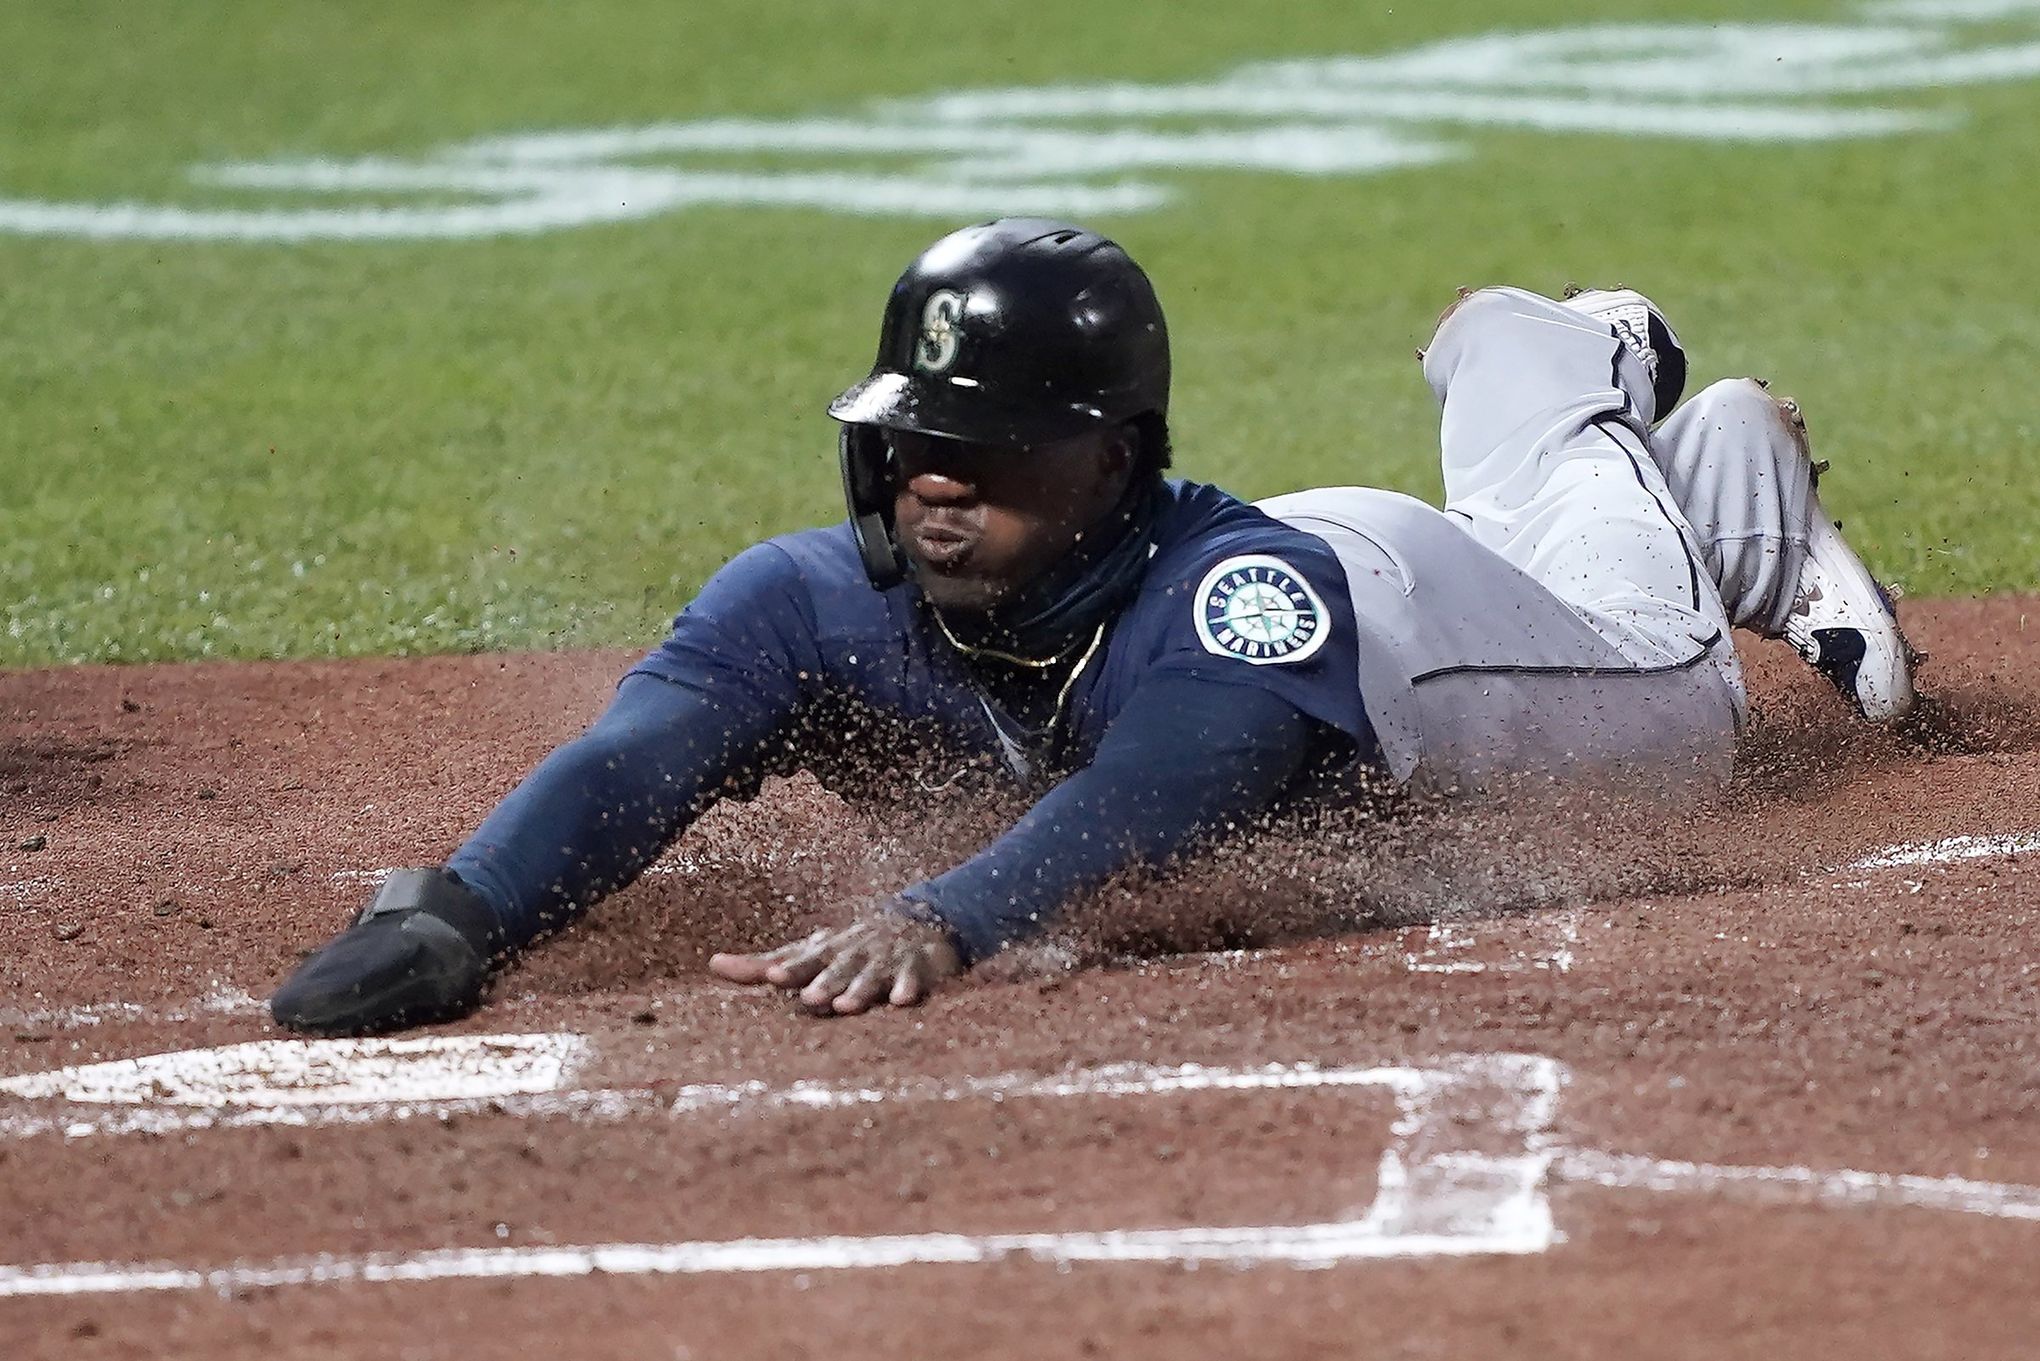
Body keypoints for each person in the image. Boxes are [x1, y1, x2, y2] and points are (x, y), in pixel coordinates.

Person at [269, 218, 1917, 1035]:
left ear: (1113, 456)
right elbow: (644, 749)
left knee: (1673, 668)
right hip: (1354, 584)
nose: (930, 478)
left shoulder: (1236, 606)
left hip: (1438, 639)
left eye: (984, 446)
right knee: (1546, 521)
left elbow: (1165, 788)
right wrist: (460, 909)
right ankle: (1607, 435)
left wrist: (950, 912)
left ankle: (1623, 407)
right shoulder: (811, 599)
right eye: (913, 435)